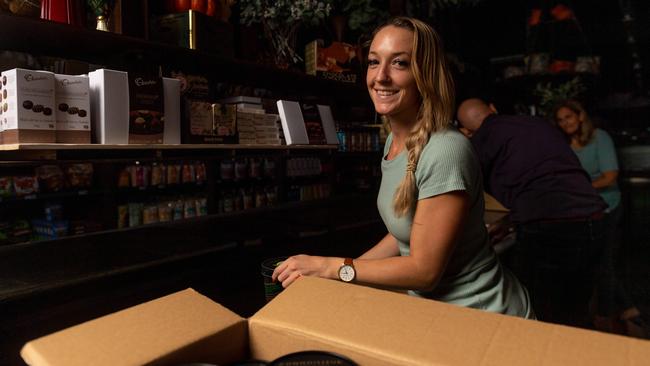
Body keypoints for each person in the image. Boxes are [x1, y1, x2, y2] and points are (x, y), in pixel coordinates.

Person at [273, 17, 533, 319]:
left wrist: (334, 268)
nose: (380, 77)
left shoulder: (446, 150)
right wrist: (343, 275)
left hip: (481, 315)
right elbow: (405, 232)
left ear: (425, 74)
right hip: (434, 311)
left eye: (399, 63)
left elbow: (425, 272)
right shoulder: (394, 144)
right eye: (373, 62)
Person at [456, 98, 607, 327]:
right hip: (594, 218)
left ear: (466, 131)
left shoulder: (480, 141)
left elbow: (466, 189)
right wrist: (512, 218)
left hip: (550, 228)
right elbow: (543, 176)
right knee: (579, 307)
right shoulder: (537, 124)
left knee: (544, 313)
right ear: (494, 108)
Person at [553, 100, 646, 337]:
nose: (565, 123)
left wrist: (580, 190)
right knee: (598, 264)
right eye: (561, 120)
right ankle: (628, 311)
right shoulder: (565, 144)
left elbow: (610, 176)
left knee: (605, 263)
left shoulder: (599, 137)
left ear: (580, 116)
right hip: (585, 211)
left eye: (569, 117)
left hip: (608, 207)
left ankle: (611, 317)